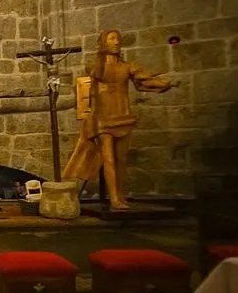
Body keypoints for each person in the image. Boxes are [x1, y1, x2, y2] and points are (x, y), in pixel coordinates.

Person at [62, 29, 178, 210]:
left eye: (118, 39)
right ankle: (114, 198)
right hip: (102, 119)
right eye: (112, 39)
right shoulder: (95, 67)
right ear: (103, 43)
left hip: (123, 117)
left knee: (121, 160)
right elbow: (97, 73)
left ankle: (121, 195)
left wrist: (165, 83)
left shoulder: (127, 67)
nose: (116, 42)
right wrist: (102, 56)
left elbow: (144, 80)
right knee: (108, 159)